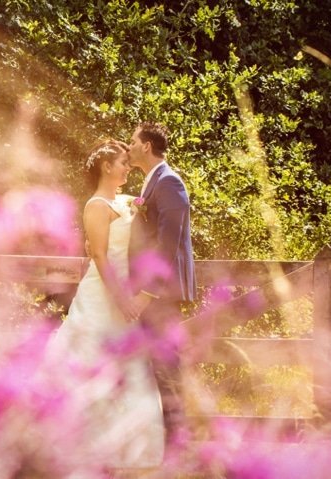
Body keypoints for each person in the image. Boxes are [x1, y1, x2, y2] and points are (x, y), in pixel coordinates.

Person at [46, 140, 164, 471]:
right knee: (89, 360)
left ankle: (127, 447)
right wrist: (121, 298)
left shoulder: (128, 202)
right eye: (123, 163)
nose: (128, 167)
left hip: (126, 293)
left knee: (129, 366)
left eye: (128, 162)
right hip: (104, 293)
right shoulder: (95, 206)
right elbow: (97, 255)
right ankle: (80, 444)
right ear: (106, 167)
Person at [126, 122, 196, 450]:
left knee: (168, 367)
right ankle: (163, 441)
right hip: (151, 294)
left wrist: (148, 292)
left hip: (162, 295)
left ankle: (178, 445)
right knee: (153, 367)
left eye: (132, 141)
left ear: (147, 146)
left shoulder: (169, 182)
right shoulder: (152, 181)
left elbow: (168, 244)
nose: (128, 147)